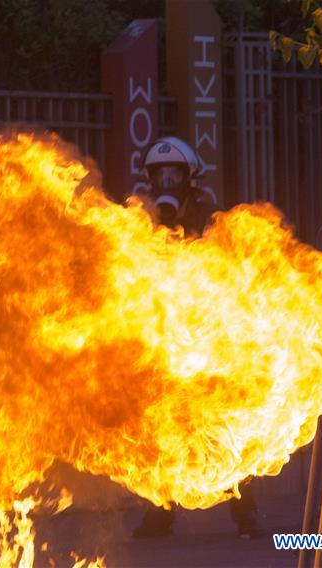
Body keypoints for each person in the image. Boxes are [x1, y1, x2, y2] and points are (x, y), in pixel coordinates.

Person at [131, 136, 262, 539]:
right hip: (162, 334)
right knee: (160, 427)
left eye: (174, 173)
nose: (167, 180)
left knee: (221, 425)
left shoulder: (212, 218)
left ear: (190, 178)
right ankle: (160, 512)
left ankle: (245, 512)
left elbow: (227, 273)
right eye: (159, 174)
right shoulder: (139, 219)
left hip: (209, 335)